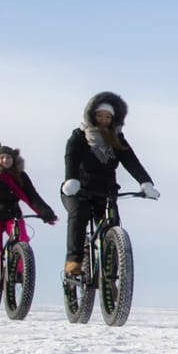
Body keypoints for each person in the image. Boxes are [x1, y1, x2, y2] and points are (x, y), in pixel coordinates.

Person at [60, 92, 159, 277]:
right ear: (91, 115)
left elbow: (131, 161)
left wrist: (145, 183)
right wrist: (71, 179)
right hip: (77, 190)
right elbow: (71, 157)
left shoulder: (117, 138)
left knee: (112, 227)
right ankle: (74, 260)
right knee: (79, 214)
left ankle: (110, 280)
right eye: (100, 115)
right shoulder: (79, 136)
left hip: (105, 191)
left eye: (108, 117)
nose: (104, 120)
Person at [0, 142, 58, 310]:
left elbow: (33, 197)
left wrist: (46, 213)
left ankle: (17, 272)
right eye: (2, 157)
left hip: (12, 214)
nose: (5, 160)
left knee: (22, 240)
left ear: (13, 160)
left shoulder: (20, 176)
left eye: (8, 158)